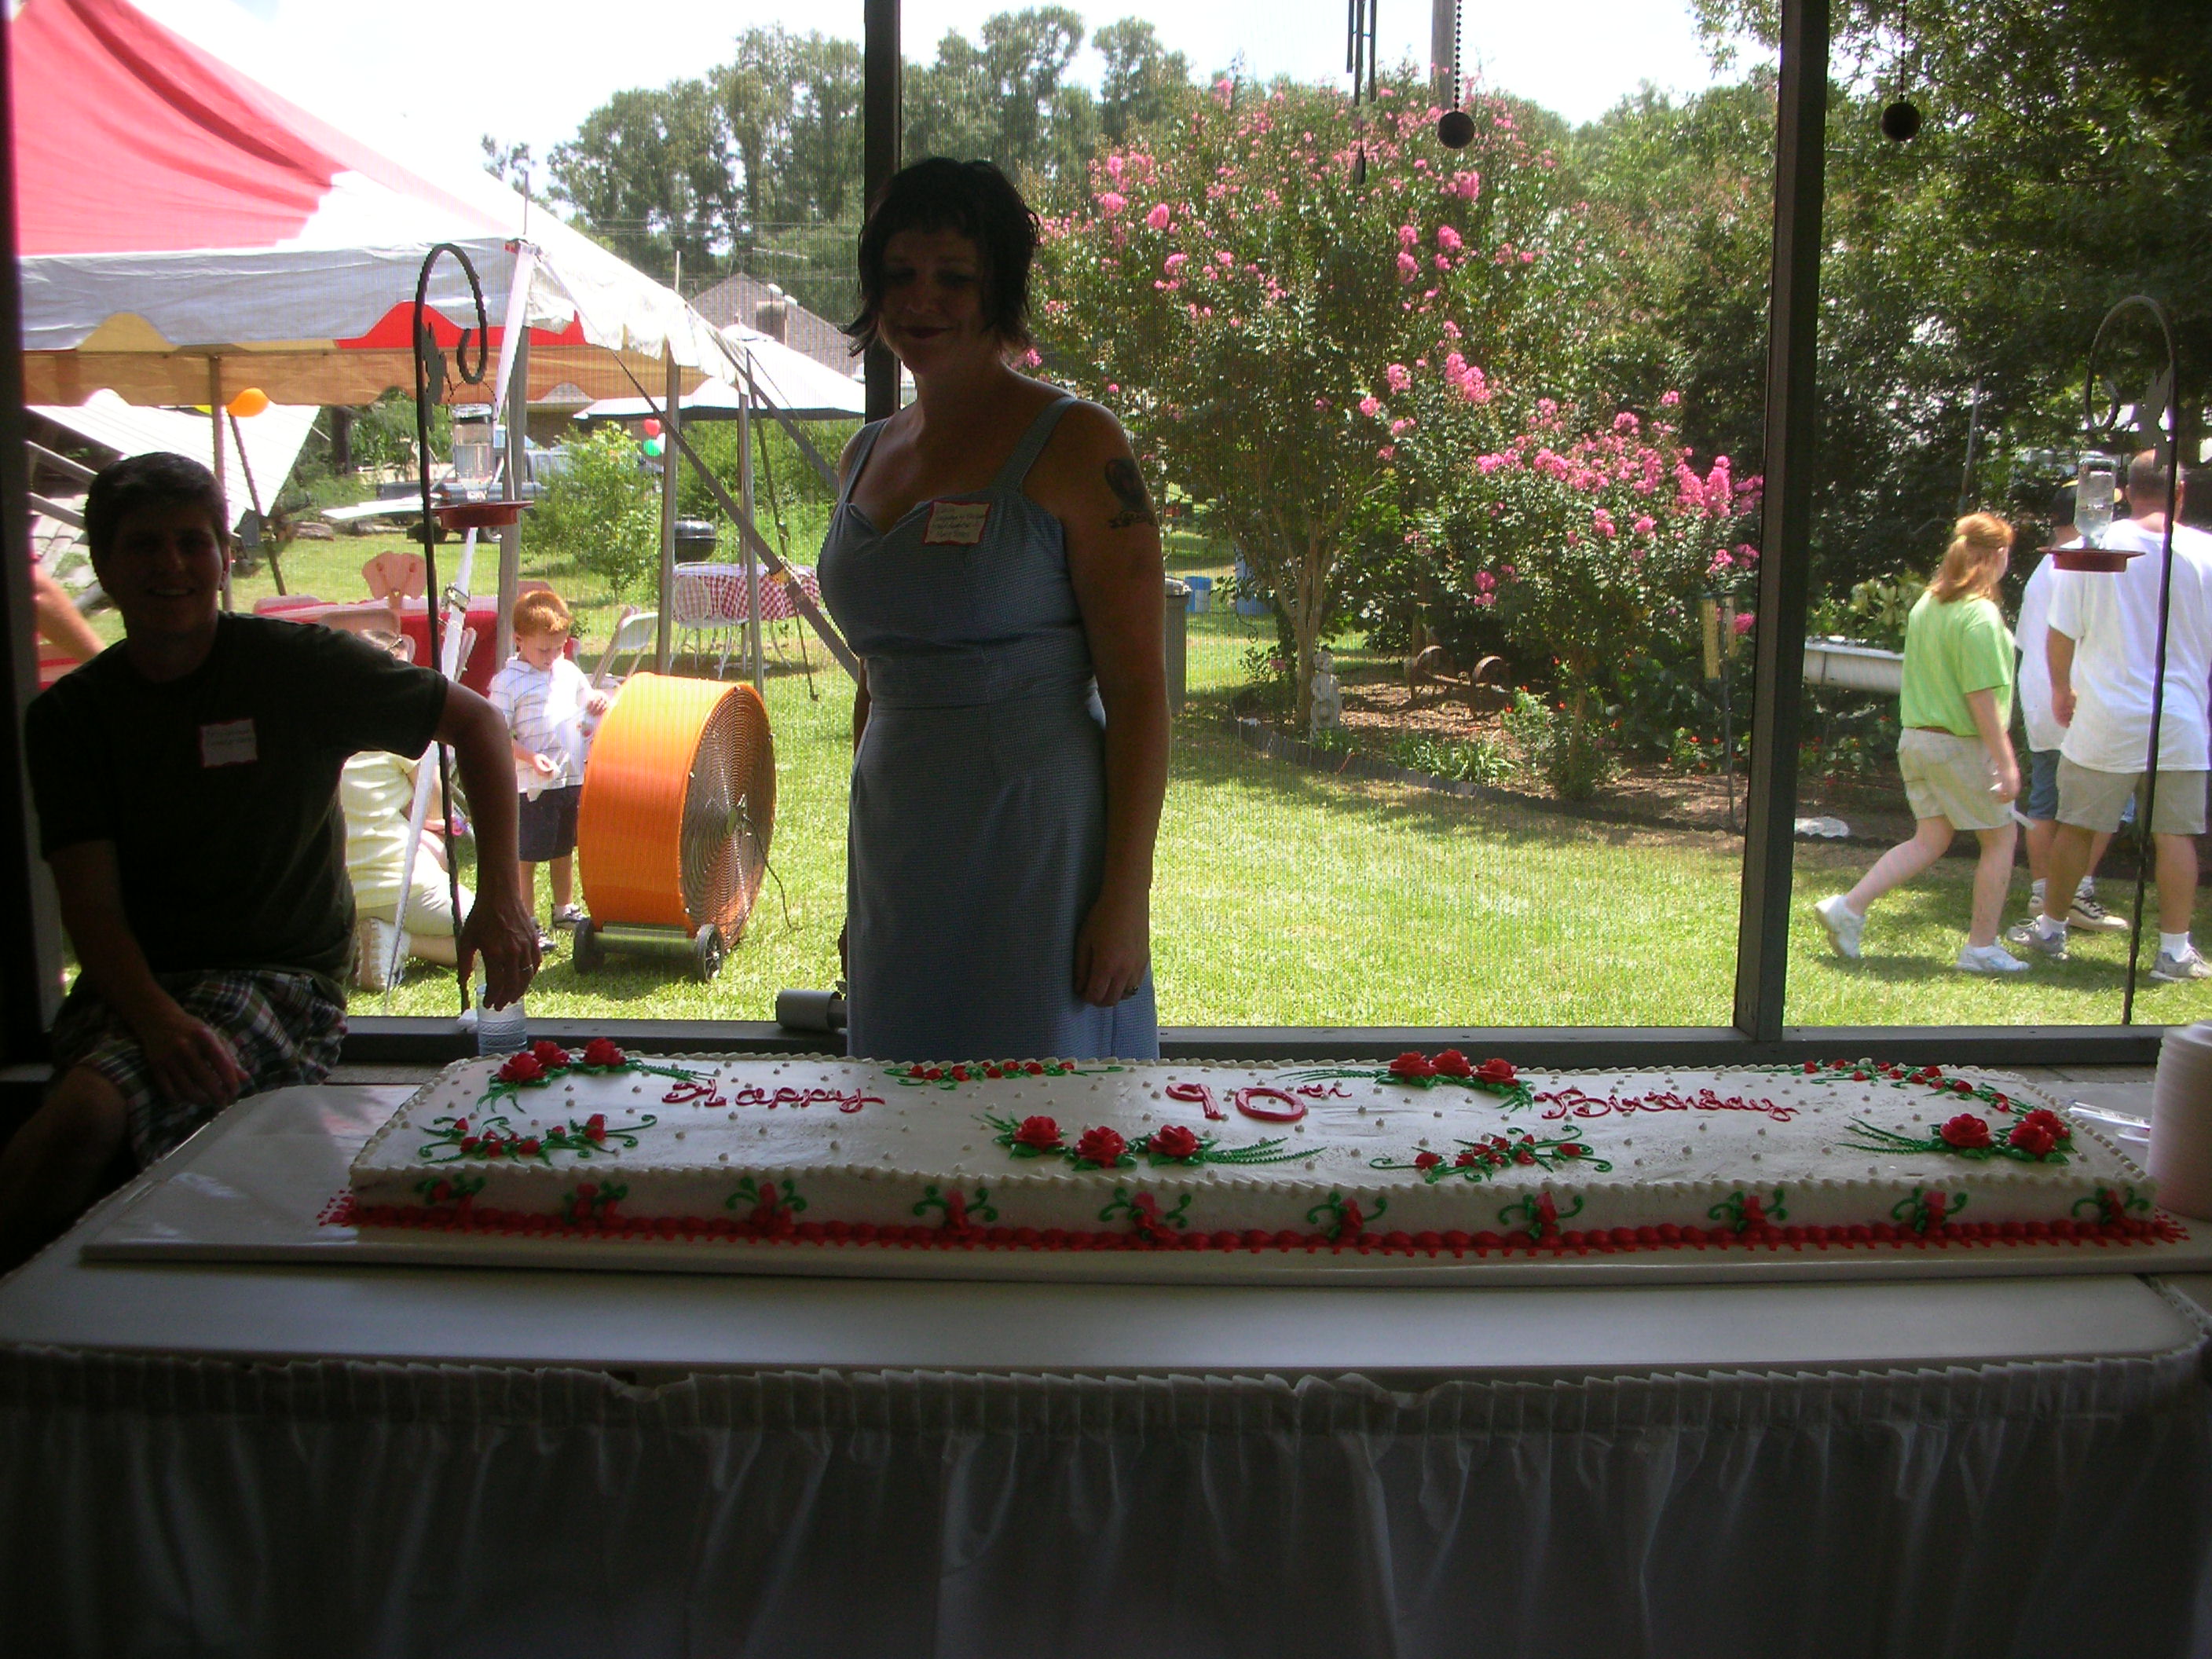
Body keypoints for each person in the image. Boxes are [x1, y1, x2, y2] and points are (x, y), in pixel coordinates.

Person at [0, 452, 538, 1268]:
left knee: (91, 1116)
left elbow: (479, 724)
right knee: (93, 1132)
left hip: (278, 984)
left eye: (192, 542)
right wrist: (158, 1021)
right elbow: (91, 907)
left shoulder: (295, 667)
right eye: (144, 545)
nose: (172, 565)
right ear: (103, 566)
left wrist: (500, 896)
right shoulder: (72, 719)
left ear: (225, 556)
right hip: (131, 991)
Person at [817, 157, 1168, 1060]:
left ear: (999, 289)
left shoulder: (1077, 444)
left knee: (1038, 1110)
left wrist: (1124, 900)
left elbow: (1137, 694)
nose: (919, 299)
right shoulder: (863, 455)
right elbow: (877, 678)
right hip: (897, 840)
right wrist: (860, 894)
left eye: (953, 277)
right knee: (900, 1112)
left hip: (1035, 840)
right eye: (899, 273)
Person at [2023, 450, 2212, 980]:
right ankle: (2173, 951)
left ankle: (2051, 929)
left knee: (2077, 827)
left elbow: (2061, 632)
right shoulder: (2207, 552)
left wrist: (2060, 690)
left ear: (2125, 492)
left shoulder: (2091, 548)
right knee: (2175, 835)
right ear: (2180, 493)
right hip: (2179, 716)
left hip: (2104, 711)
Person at [1815, 513, 2027, 972]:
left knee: (1931, 838)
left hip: (1917, 740)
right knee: (2001, 838)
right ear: (1994, 556)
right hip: (1959, 743)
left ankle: (1848, 908)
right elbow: (1980, 697)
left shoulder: (1927, 605)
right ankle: (1981, 948)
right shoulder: (1980, 614)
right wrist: (2006, 762)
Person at [2006, 483, 2124, 939]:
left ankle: (2044, 893)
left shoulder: (2045, 566)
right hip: (2073, 697)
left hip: (2042, 695)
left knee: (2046, 802)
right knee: (2099, 805)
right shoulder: (2081, 561)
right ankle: (2076, 893)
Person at [340, 629, 474, 991]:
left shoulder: (322, 732)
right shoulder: (402, 732)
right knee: (485, 939)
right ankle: (402, 941)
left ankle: (363, 939)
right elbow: (435, 811)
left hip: (338, 895)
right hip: (400, 887)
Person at [485, 588, 606, 945]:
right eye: (543, 650)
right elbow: (496, 734)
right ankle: (526, 919)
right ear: (519, 640)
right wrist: (529, 758)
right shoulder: (508, 682)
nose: (552, 657)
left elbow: (589, 702)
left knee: (562, 846)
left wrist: (598, 701)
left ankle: (564, 908)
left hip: (569, 776)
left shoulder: (567, 671)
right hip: (532, 784)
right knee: (528, 854)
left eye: (559, 648)